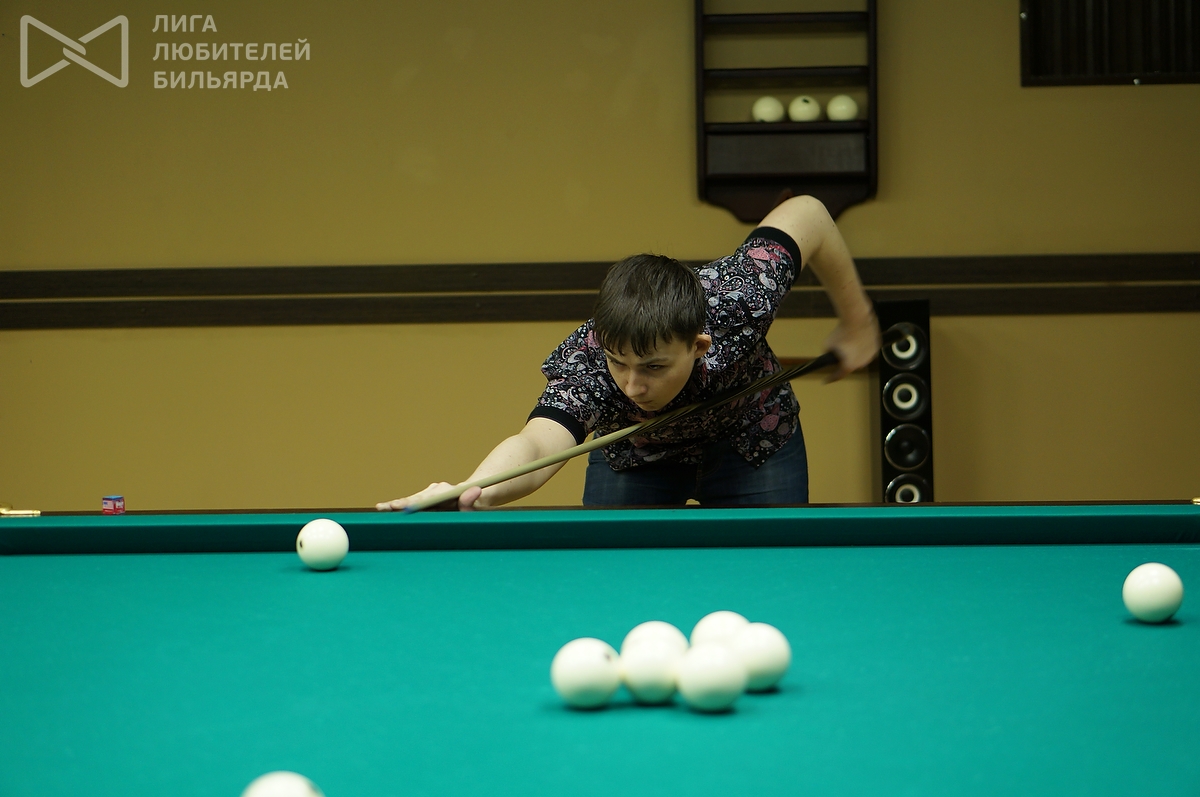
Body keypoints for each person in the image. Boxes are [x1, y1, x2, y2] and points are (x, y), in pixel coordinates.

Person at [377, 195, 880, 512]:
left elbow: (809, 212)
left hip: (753, 443)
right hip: (638, 460)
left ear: (698, 346)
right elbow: (536, 445)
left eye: (654, 367)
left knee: (771, 581)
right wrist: (473, 488)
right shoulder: (588, 362)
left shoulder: (739, 298)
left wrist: (858, 322)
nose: (634, 386)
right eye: (619, 363)